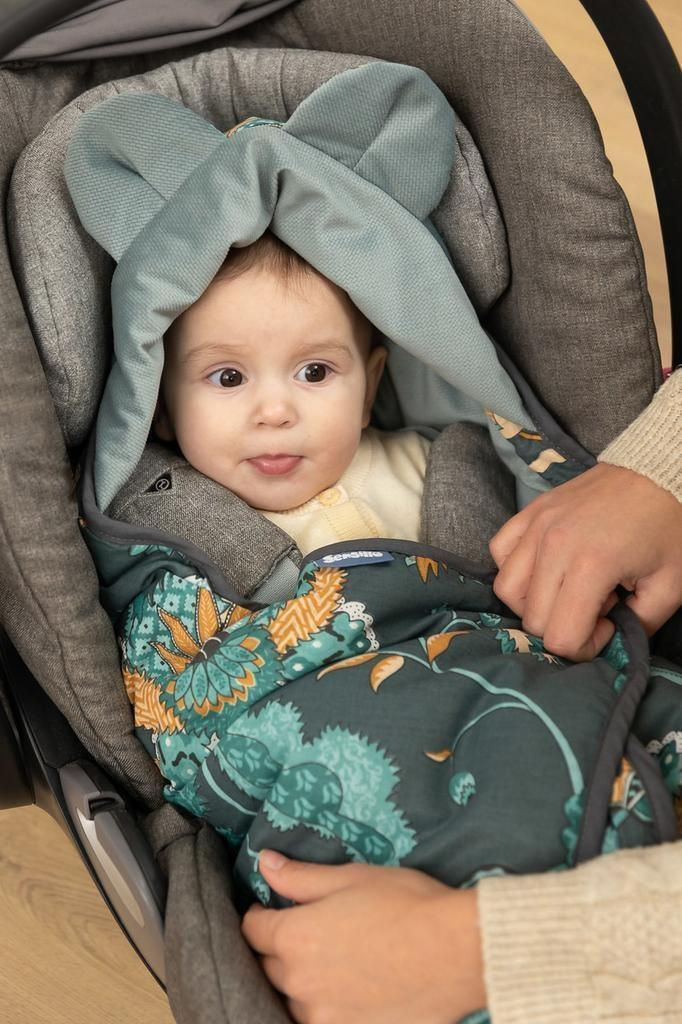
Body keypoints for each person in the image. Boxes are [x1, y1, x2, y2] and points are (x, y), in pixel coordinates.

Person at [240, 367, 682, 1024]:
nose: (274, 410)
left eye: (315, 372)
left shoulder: (436, 460)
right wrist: (664, 470)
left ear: (372, 381)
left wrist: (487, 951)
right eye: (227, 377)